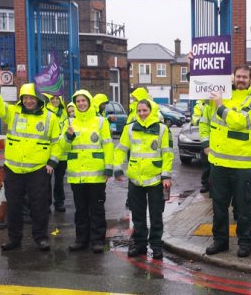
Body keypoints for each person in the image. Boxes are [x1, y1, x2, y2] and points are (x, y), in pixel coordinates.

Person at [0, 71, 62, 252]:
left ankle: (40, 238)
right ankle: (14, 238)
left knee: (39, 206)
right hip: (13, 169)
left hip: (38, 170)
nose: (29, 101)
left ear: (38, 99)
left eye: (32, 98)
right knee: (14, 206)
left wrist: (52, 163)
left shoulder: (50, 117)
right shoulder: (13, 113)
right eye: (25, 98)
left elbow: (57, 142)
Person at [201, 65, 251, 258]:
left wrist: (220, 105)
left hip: (241, 165)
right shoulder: (221, 94)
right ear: (233, 78)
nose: (242, 79)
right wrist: (193, 65)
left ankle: (245, 243)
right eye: (239, 76)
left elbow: (237, 121)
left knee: (243, 207)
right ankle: (220, 241)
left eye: (245, 77)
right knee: (218, 206)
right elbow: (200, 87)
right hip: (218, 164)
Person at [114, 99, 173, 259]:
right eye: (139, 111)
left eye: (144, 111)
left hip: (155, 180)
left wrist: (166, 176)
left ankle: (156, 246)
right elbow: (121, 150)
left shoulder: (162, 129)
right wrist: (117, 167)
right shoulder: (130, 128)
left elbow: (167, 153)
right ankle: (140, 245)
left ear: (151, 110)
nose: (141, 114)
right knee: (138, 215)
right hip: (135, 179)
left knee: (156, 216)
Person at [60, 90, 114, 254]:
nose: (81, 104)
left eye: (84, 100)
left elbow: (108, 145)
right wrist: (68, 137)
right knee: (80, 210)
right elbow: (63, 147)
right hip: (77, 176)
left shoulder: (100, 122)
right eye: (78, 101)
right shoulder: (69, 122)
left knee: (96, 209)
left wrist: (108, 168)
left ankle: (97, 240)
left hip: (96, 174)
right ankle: (81, 239)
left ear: (89, 102)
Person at [43, 93, 68, 212]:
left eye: (58, 98)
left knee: (59, 180)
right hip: (49, 152)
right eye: (53, 98)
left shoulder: (64, 113)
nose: (55, 100)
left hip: (62, 153)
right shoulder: (46, 111)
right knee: (46, 180)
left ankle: (59, 202)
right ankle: (46, 203)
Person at [192, 99, 211, 193]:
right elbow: (195, 119)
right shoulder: (200, 104)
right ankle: (205, 184)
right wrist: (203, 119)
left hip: (220, 138)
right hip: (207, 138)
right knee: (206, 164)